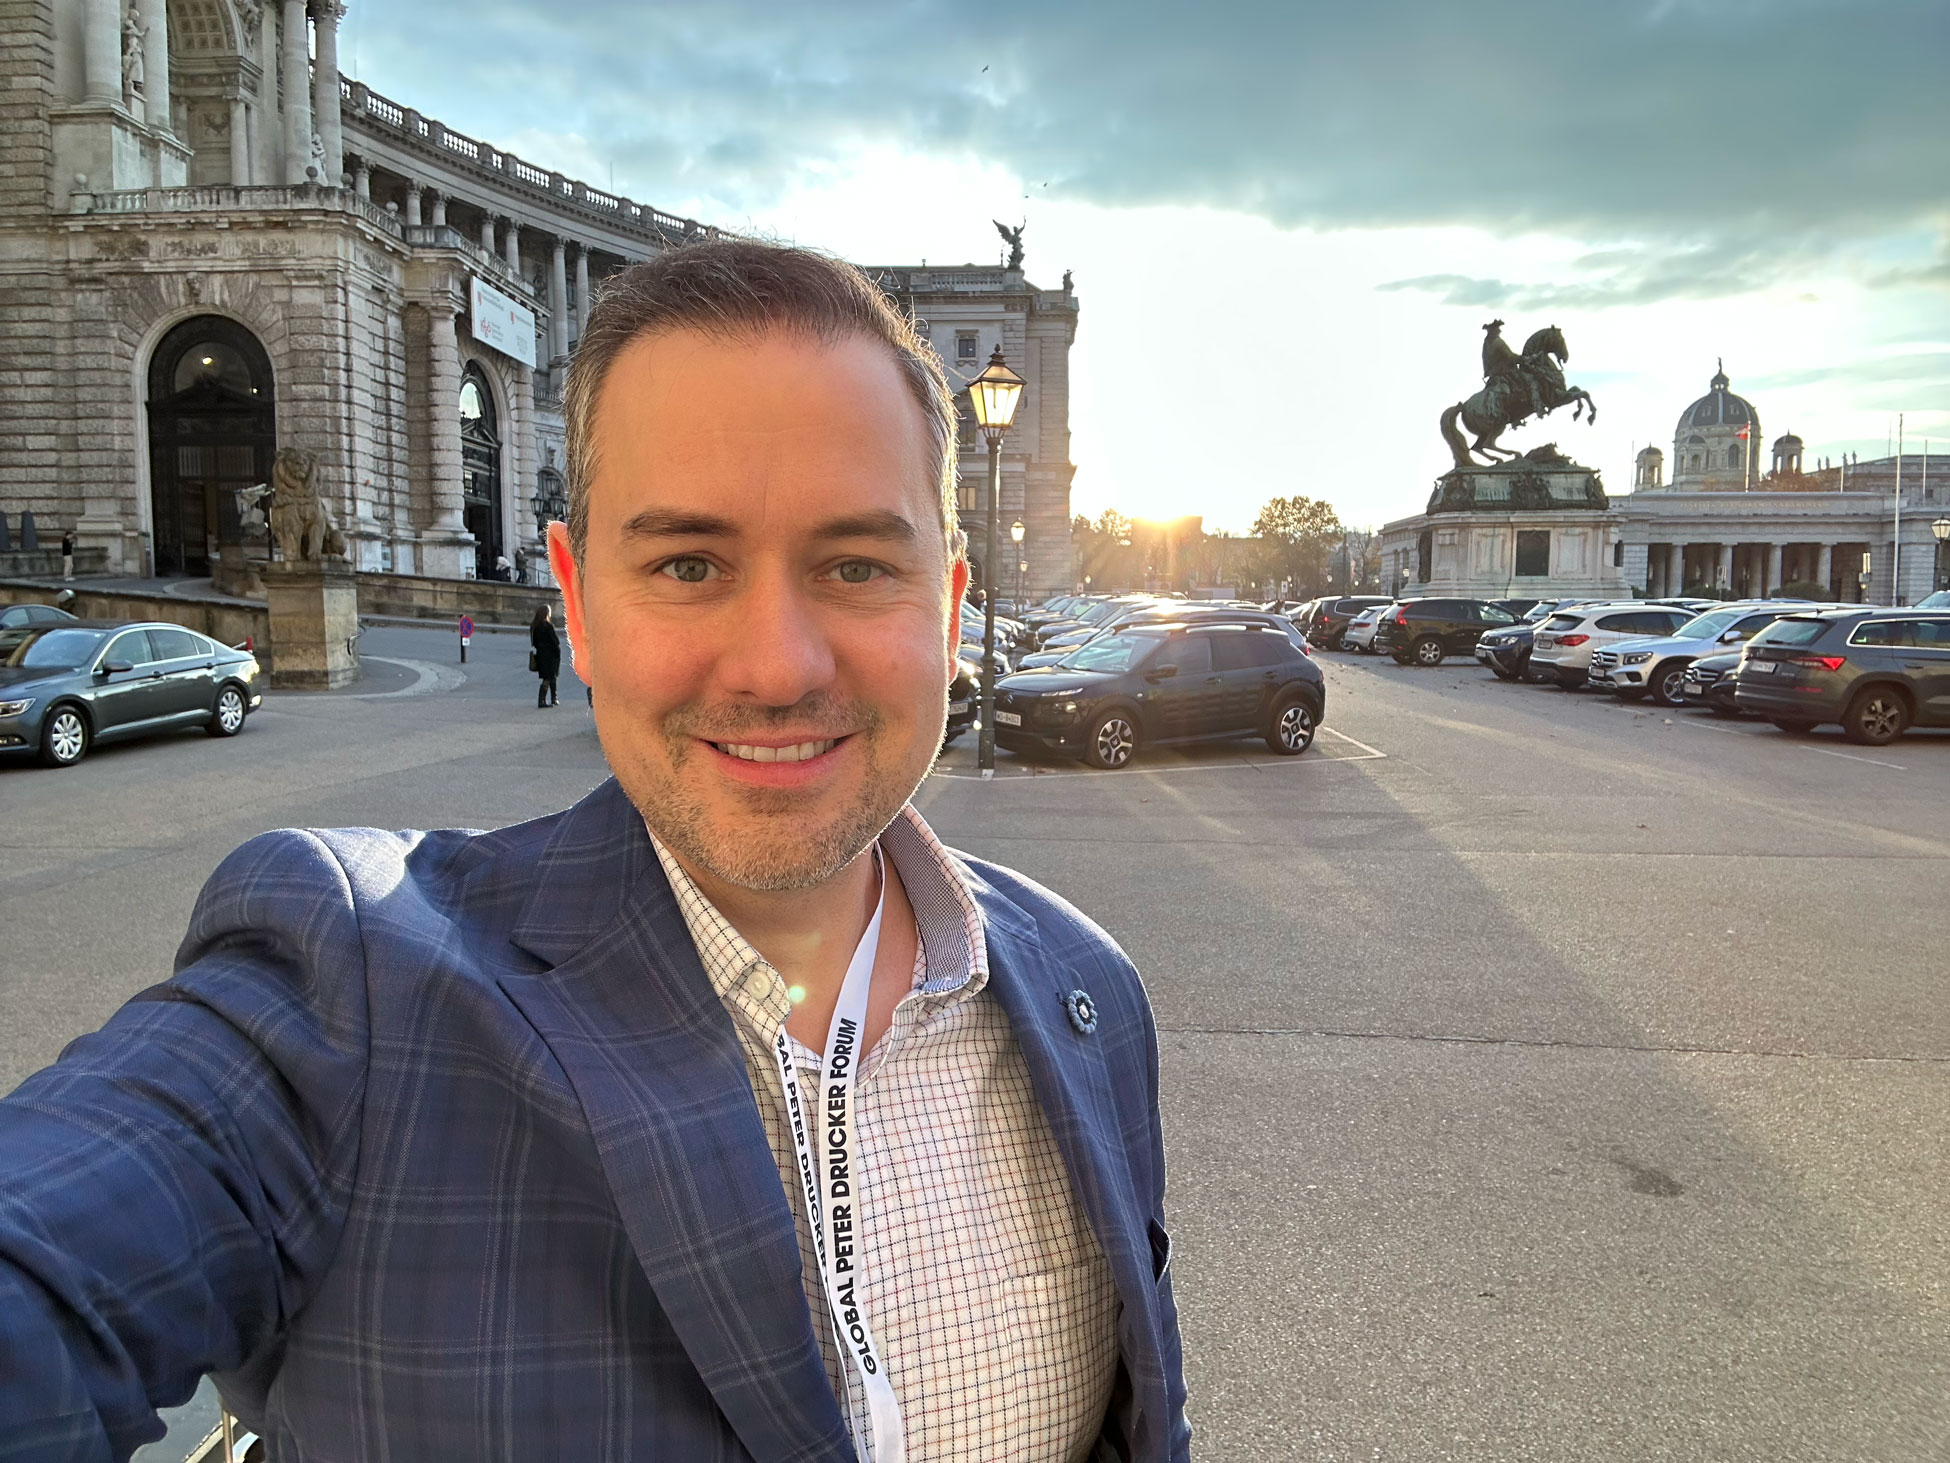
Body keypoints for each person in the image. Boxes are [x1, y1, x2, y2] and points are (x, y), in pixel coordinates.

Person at [0, 240, 1188, 1461]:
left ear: (949, 606)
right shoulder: (349, 981)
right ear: (575, 598)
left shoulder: (1084, 985)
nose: (777, 665)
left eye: (855, 564)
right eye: (687, 563)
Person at [530, 600, 561, 707]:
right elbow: (555, 642)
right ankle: (543, 700)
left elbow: (533, 642)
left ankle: (553, 698)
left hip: (541, 655)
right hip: (550, 655)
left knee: (549, 676)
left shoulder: (534, 626)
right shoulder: (548, 626)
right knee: (550, 677)